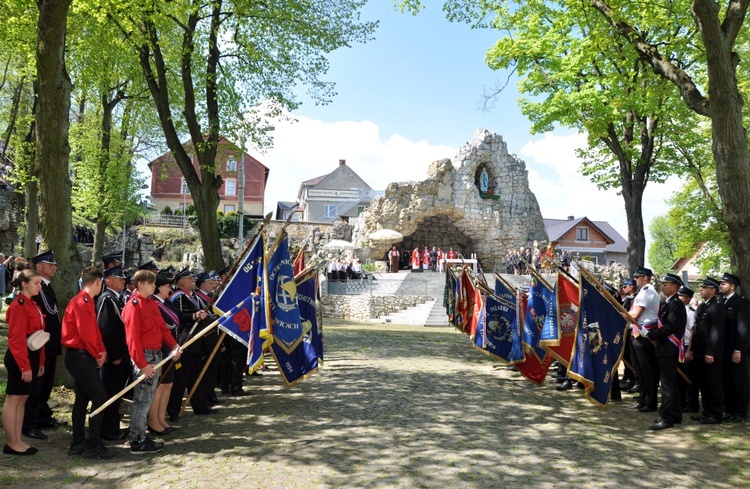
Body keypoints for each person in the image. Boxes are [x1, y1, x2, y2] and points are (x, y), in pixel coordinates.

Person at [122, 270, 182, 454]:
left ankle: (141, 434)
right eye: (151, 283)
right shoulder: (133, 306)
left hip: (156, 354)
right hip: (145, 357)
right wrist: (142, 364)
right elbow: (132, 339)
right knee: (142, 399)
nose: (154, 286)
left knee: (148, 398)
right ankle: (137, 439)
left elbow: (163, 328)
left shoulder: (151, 303)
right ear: (140, 284)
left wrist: (173, 346)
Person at [62, 266, 117, 459]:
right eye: (100, 283)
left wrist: (101, 350)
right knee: (100, 399)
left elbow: (94, 332)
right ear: (97, 283)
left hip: (84, 355)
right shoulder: (81, 302)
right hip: (80, 356)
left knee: (83, 399)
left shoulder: (87, 302)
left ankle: (78, 442)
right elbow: (86, 335)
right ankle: (92, 445)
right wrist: (97, 353)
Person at [2, 270, 45, 456]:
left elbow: (40, 336)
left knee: (22, 399)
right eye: (36, 283)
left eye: (40, 283)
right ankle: (11, 442)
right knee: (14, 399)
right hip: (21, 356)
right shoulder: (19, 305)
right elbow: (17, 338)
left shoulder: (32, 304)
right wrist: (24, 366)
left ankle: (17, 439)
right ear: (24, 284)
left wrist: (40, 361)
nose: (39, 286)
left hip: (31, 355)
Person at [24, 251, 63, 440]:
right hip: (39, 344)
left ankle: (41, 414)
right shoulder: (37, 288)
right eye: (50, 264)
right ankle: (30, 422)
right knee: (36, 385)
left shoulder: (46, 286)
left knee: (46, 383)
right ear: (39, 267)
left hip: (50, 343)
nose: (54, 267)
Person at [167, 269, 211, 420]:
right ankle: (173, 410)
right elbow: (183, 317)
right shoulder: (178, 297)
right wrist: (197, 316)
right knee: (182, 378)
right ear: (180, 282)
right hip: (186, 340)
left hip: (197, 341)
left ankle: (200, 405)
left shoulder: (190, 296)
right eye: (189, 278)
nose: (193, 280)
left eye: (193, 277)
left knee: (196, 375)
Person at [148, 271, 186, 435]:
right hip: (162, 348)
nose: (169, 289)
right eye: (166, 286)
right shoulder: (154, 303)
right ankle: (153, 421)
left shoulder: (167, 302)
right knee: (160, 386)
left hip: (171, 346)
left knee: (168, 385)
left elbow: (178, 318)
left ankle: (162, 418)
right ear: (158, 287)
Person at [647, 273, 686, 430]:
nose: (662, 286)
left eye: (666, 284)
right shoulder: (669, 303)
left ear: (674, 287)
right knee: (671, 383)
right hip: (665, 348)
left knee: (667, 385)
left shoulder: (676, 304)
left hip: (669, 348)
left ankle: (666, 418)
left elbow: (670, 327)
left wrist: (651, 334)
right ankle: (675, 414)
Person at [96, 266, 130, 441]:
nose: (123, 281)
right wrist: (114, 354)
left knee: (117, 393)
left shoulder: (117, 299)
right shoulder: (106, 299)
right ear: (108, 280)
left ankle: (113, 427)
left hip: (122, 354)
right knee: (110, 393)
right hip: (113, 358)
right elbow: (106, 329)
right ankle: (107, 430)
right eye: (119, 278)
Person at [689, 277, 725, 424]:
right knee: (703, 383)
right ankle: (706, 411)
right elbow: (696, 330)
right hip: (699, 351)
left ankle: (715, 414)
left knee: (713, 383)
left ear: (713, 290)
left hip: (711, 352)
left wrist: (711, 352)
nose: (701, 289)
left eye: (705, 287)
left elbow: (716, 332)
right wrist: (691, 350)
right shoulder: (703, 307)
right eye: (701, 287)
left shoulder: (717, 307)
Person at [718, 273, 750, 422]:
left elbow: (743, 329)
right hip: (724, 349)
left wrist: (738, 349)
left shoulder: (741, 303)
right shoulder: (722, 302)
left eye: (724, 283)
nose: (720, 285)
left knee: (739, 380)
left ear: (732, 286)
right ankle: (729, 409)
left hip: (736, 349)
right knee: (727, 380)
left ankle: (740, 412)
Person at [628, 266, 660, 414]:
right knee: (640, 369)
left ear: (645, 277)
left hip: (646, 334)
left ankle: (650, 401)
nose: (635, 279)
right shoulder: (642, 292)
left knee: (648, 370)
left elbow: (635, 314)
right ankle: (642, 399)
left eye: (638, 277)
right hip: (638, 333)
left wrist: (621, 315)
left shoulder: (648, 292)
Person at [677, 286, 699, 413]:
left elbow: (692, 332)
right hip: (678, 345)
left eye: (681, 296)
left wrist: (689, 350)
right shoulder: (678, 309)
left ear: (687, 298)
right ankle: (682, 401)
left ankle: (691, 403)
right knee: (680, 376)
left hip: (685, 345)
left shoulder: (690, 312)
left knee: (688, 375)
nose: (678, 298)